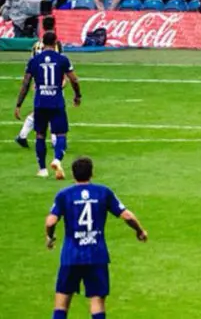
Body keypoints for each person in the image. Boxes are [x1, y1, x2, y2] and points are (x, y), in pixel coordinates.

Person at [46, 156, 148, 319]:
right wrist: (139, 231)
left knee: (62, 303)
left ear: (73, 174)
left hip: (71, 256)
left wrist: (50, 237)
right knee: (97, 302)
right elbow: (127, 216)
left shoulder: (64, 195)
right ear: (92, 173)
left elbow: (50, 221)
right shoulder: (103, 192)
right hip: (97, 255)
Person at [15, 31, 80, 178]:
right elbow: (74, 80)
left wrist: (19, 104)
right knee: (61, 133)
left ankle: (43, 169)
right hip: (56, 102)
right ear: (55, 42)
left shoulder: (34, 60)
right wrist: (77, 96)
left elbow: (26, 83)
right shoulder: (62, 59)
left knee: (40, 135)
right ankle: (57, 159)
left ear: (42, 43)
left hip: (40, 102)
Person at [14, 16, 61, 149]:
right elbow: (58, 62)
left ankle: (22, 135)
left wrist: (34, 81)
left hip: (39, 81)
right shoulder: (55, 44)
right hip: (52, 81)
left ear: (42, 26)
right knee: (54, 108)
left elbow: (32, 64)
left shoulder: (36, 45)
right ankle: (55, 140)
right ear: (54, 25)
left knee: (42, 109)